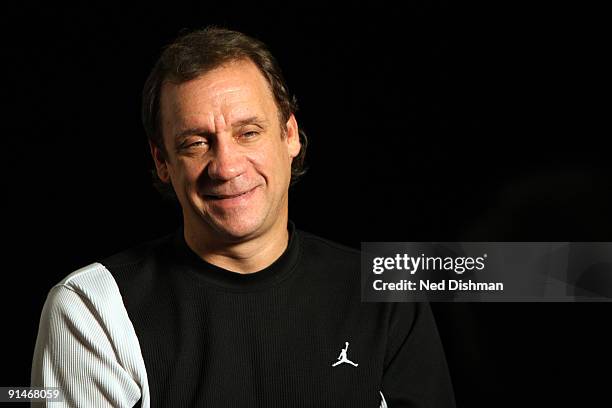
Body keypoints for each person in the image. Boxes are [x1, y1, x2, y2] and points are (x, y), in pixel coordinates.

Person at [31, 27, 455, 407]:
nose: (227, 166)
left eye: (248, 132)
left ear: (290, 135)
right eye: (196, 143)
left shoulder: (388, 297)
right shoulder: (92, 308)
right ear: (162, 161)